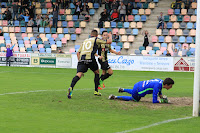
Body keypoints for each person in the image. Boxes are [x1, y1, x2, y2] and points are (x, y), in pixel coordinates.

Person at [67, 30, 112, 99]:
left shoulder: (85, 41)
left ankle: (71, 87)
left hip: (82, 59)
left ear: (90, 34)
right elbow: (109, 42)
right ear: (97, 35)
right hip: (90, 59)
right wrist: (110, 36)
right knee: (97, 72)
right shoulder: (96, 39)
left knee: (78, 74)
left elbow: (78, 53)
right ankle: (96, 91)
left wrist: (79, 62)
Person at [109, 78, 174, 103]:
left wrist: (161, 96)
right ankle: (115, 97)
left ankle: (123, 89)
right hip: (139, 91)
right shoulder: (158, 86)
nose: (171, 87)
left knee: (134, 91)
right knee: (134, 99)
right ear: (166, 84)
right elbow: (154, 100)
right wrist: (161, 101)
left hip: (138, 84)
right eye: (170, 86)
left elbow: (159, 89)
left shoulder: (160, 81)